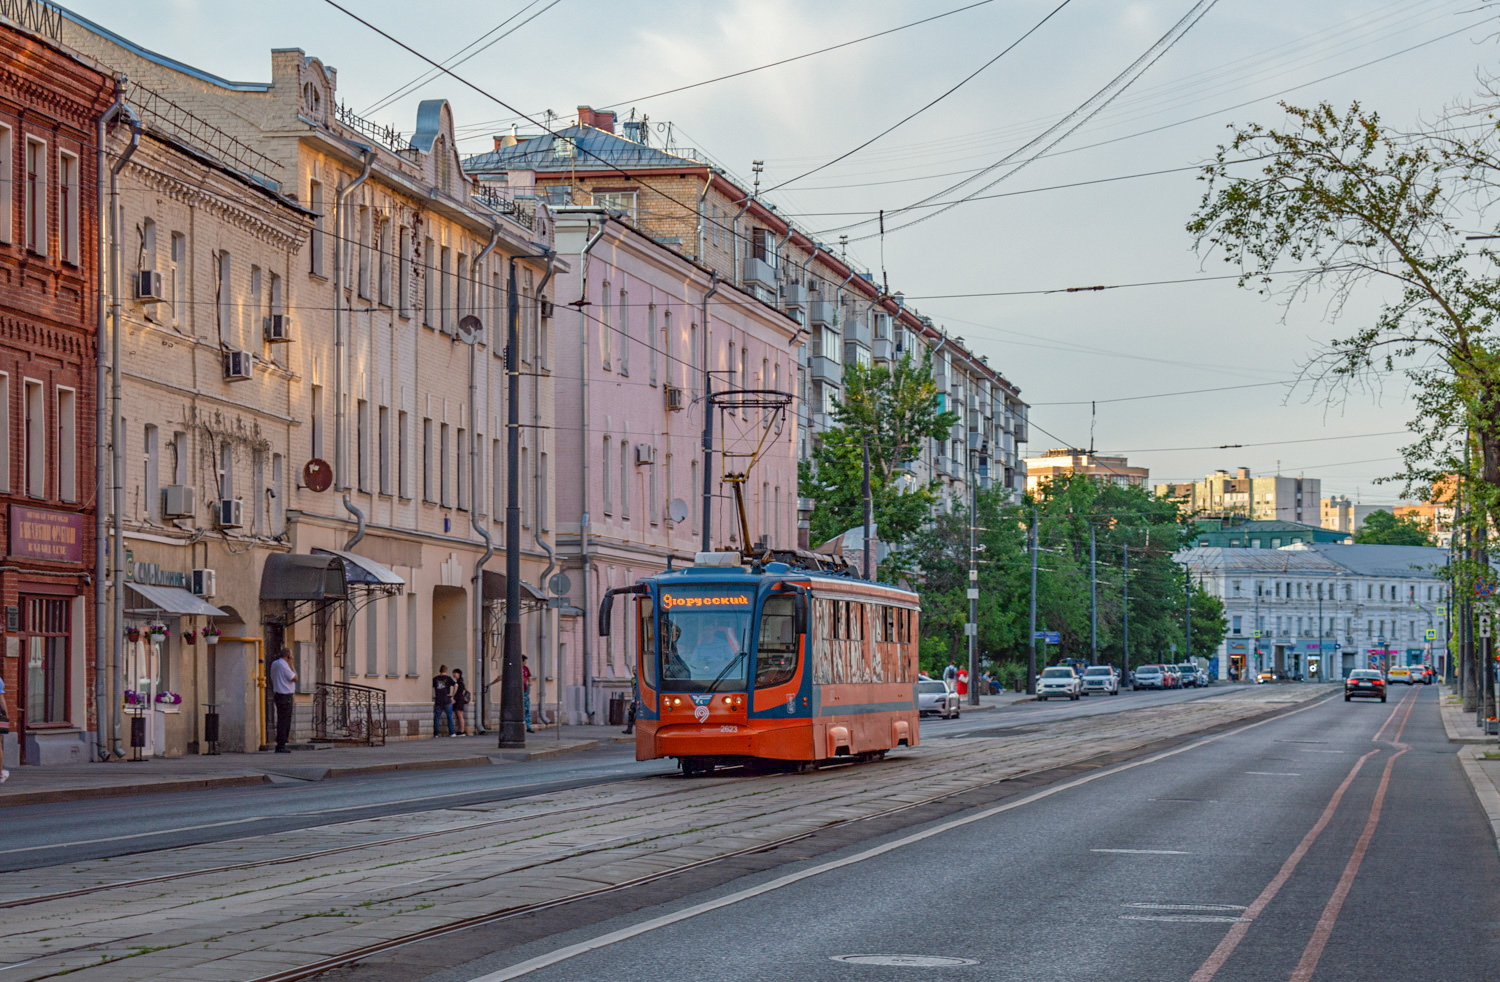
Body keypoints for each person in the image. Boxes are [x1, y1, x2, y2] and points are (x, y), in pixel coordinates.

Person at [270, 648, 297, 753]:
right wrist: (292, 665)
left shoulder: (275, 663)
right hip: (286, 695)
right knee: (285, 721)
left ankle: (280, 743)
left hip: (278, 694)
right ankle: (281, 744)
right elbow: (295, 678)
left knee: (281, 719)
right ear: (288, 656)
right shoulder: (285, 665)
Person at [432, 665, 456, 736]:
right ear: (446, 670)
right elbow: (456, 685)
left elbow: (431, 686)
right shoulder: (448, 678)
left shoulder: (435, 678)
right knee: (449, 717)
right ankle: (452, 733)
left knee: (437, 717)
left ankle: (436, 734)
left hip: (438, 700)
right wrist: (452, 694)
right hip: (447, 700)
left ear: (440, 670)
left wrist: (433, 696)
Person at [452, 668, 470, 736]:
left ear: (459, 674)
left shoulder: (459, 683)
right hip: (459, 700)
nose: (454, 674)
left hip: (459, 700)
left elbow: (459, 693)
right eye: (453, 673)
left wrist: (453, 697)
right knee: (458, 716)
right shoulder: (460, 682)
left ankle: (462, 731)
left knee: (460, 716)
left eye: (455, 673)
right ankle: (460, 730)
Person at [521, 655, 534, 733]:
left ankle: (528, 726)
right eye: (525, 661)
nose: (526, 662)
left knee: (527, 709)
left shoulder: (526, 669)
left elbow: (529, 678)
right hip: (517, 692)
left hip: (525, 692)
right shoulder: (515, 668)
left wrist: (529, 686)